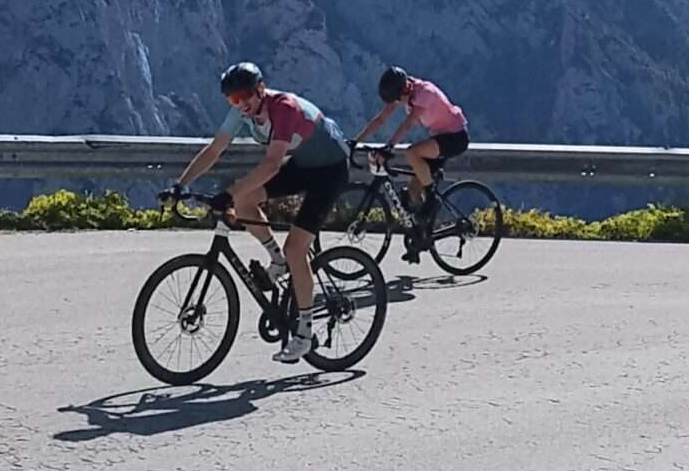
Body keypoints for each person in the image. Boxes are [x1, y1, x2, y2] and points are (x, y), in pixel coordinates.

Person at [169, 62, 351, 364]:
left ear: (261, 90)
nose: (240, 105)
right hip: (304, 165)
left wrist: (229, 191)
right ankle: (276, 260)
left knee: (297, 249)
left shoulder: (283, 108)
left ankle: (304, 335)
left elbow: (270, 165)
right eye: (232, 100)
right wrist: (179, 184)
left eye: (244, 96)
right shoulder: (243, 112)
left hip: (331, 170)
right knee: (244, 203)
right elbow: (215, 149)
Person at [356, 65, 471, 263]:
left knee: (412, 152)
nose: (398, 103)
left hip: (455, 137)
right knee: (412, 192)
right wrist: (356, 141)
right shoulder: (403, 92)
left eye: (397, 99)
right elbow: (381, 119)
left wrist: (389, 147)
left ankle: (432, 198)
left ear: (404, 89)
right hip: (439, 139)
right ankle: (421, 238)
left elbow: (408, 123)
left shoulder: (424, 92)